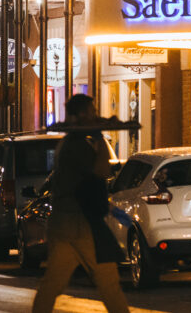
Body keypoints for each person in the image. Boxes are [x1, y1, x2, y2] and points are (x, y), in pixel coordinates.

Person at [32, 95, 130, 313]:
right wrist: (100, 139)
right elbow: (102, 171)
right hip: (82, 224)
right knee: (109, 282)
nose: (95, 114)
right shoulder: (77, 147)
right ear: (82, 115)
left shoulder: (67, 145)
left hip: (63, 223)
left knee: (53, 284)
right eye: (91, 111)